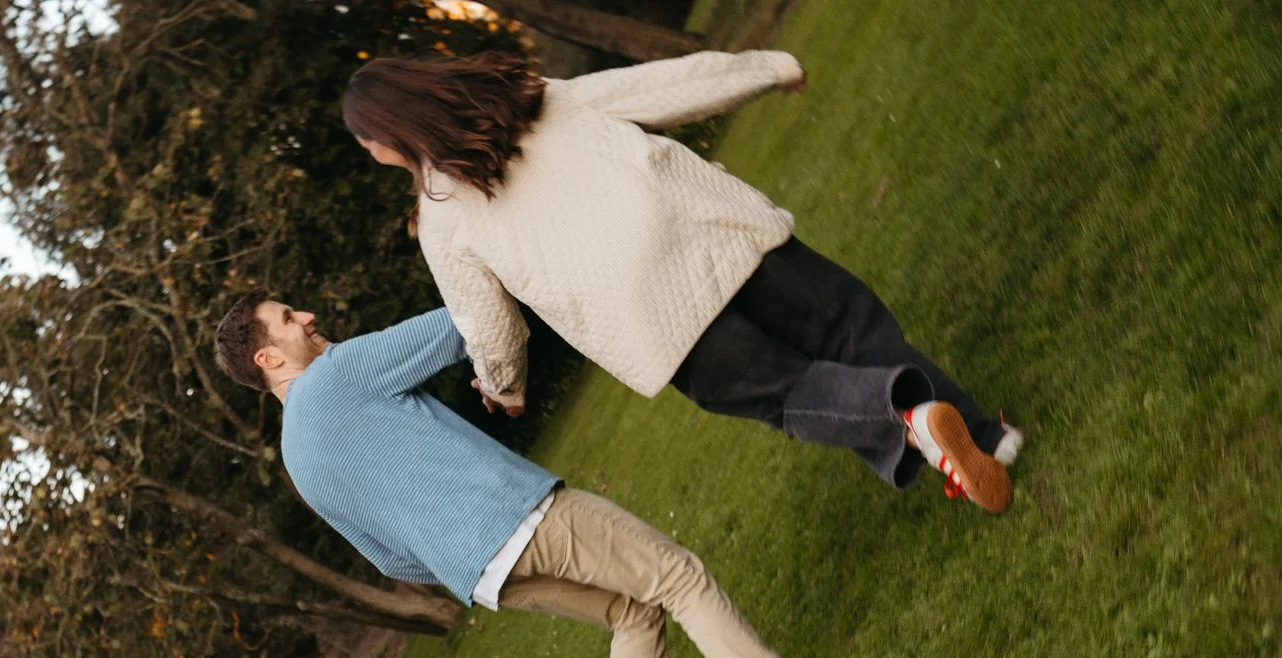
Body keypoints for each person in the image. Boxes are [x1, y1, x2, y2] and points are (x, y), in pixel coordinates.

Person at [212, 294, 850, 658]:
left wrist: (458, 559)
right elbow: (465, 321)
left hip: (480, 575)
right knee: (678, 577)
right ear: (269, 359)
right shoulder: (334, 374)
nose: (307, 316)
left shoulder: (299, 462)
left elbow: (385, 555)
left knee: (633, 613)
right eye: (288, 319)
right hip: (518, 517)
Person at [342, 51, 1024, 512]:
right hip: (712, 233)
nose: (372, 156)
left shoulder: (442, 217)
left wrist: (503, 389)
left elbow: (490, 326)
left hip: (654, 320)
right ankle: (986, 439)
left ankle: (908, 419)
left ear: (387, 137)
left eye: (367, 146)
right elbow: (658, 86)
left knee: (788, 393)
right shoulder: (536, 99)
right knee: (852, 328)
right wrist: (764, 68)